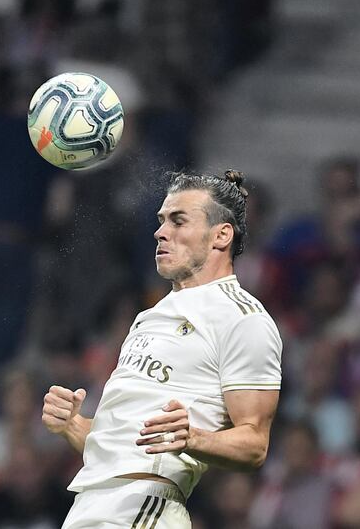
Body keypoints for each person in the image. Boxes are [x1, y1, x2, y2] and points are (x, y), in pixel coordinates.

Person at [42, 170, 282, 528]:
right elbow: (123, 443)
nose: (160, 232)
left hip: (144, 508)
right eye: (161, 221)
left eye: (178, 220)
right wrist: (72, 425)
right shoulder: (148, 317)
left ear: (221, 235)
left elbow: (255, 443)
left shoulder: (242, 318)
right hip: (91, 504)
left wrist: (194, 437)